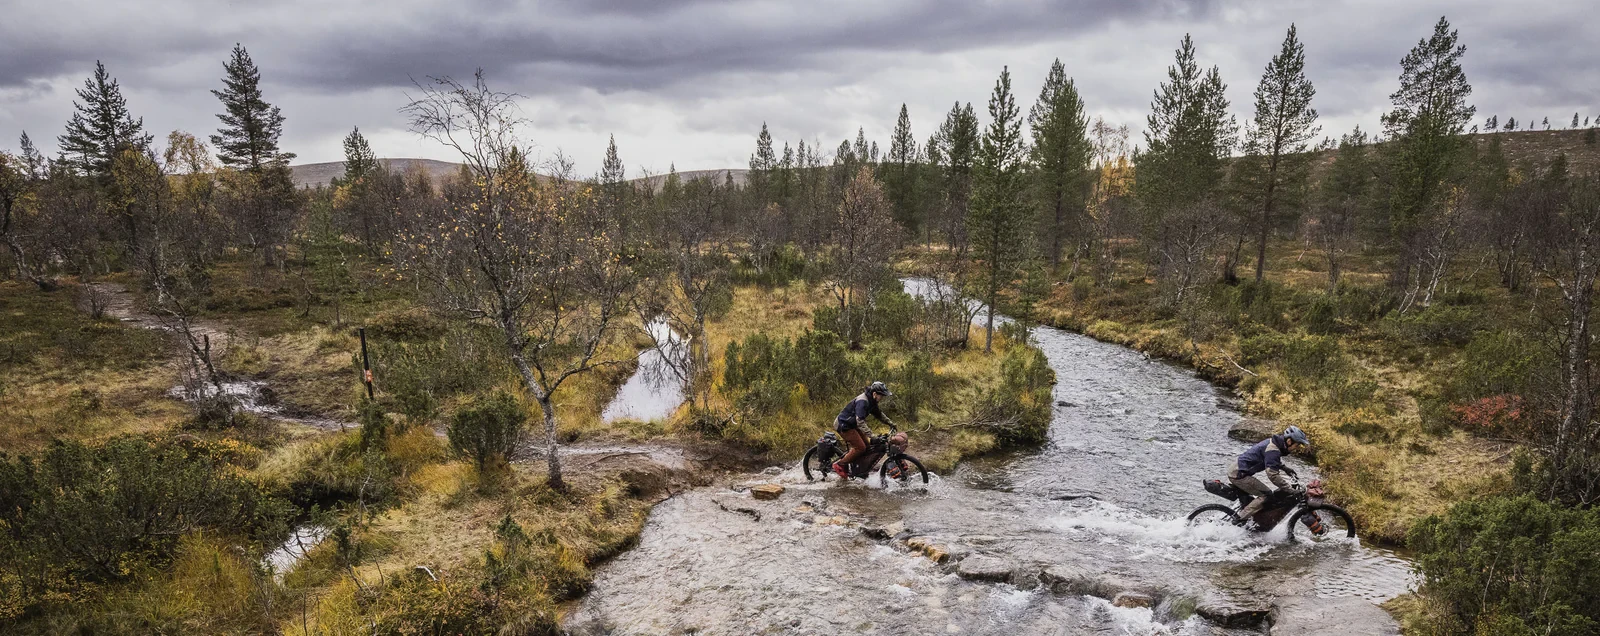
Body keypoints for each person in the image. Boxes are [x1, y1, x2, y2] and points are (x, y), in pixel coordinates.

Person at [1228, 425, 1310, 523]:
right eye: (1296, 445)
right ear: (1289, 441)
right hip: (1239, 475)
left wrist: (1284, 468)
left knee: (1258, 496)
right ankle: (1239, 519)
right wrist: (1290, 490)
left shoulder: (1274, 443)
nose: (1296, 448)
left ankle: (1250, 517)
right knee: (1266, 495)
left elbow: (1270, 460)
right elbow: (1273, 475)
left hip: (1238, 470)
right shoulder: (1273, 449)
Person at [832, 381, 895, 479]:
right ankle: (840, 464)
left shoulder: (872, 401)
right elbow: (860, 422)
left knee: (868, 447)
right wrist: (872, 436)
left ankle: (858, 468)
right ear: (874, 394)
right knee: (860, 448)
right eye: (881, 395)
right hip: (844, 425)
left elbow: (879, 414)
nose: (882, 398)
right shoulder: (863, 401)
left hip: (852, 424)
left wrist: (891, 423)